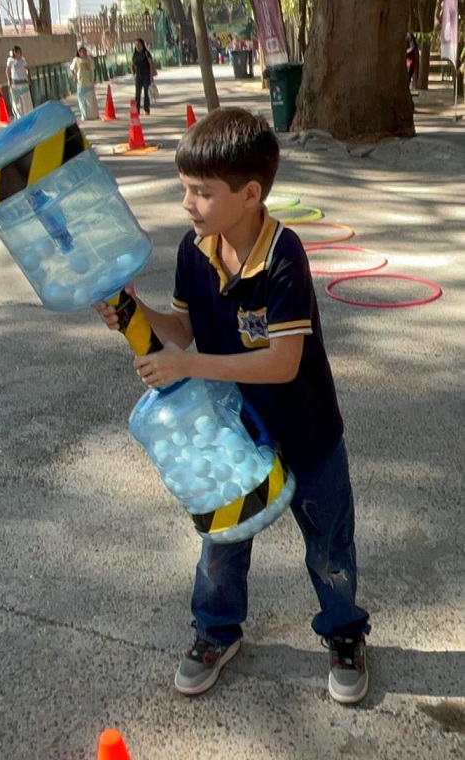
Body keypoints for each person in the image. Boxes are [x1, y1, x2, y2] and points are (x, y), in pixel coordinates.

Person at [95, 108, 371, 705]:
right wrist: (133, 312)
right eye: (184, 188)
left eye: (202, 191)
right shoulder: (193, 251)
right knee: (221, 545)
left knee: (329, 546)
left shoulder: (283, 255)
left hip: (308, 431)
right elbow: (181, 331)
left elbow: (282, 362)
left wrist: (188, 366)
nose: (187, 203)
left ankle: (344, 632)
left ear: (250, 194)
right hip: (233, 434)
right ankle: (215, 632)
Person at [70, 46, 99, 120]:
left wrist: (94, 77)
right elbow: (71, 69)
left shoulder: (89, 59)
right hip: (81, 83)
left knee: (91, 99)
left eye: (85, 51)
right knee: (82, 100)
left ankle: (93, 115)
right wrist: (74, 77)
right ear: (79, 53)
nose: (85, 53)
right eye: (83, 52)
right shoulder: (76, 60)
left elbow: (94, 69)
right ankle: (84, 115)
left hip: (89, 82)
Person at [5, 46, 33, 119]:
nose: (20, 54)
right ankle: (19, 116)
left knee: (26, 100)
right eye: (18, 52)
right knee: (16, 102)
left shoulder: (23, 60)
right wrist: (9, 80)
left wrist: (29, 78)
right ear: (15, 52)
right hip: (15, 84)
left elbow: (27, 69)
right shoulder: (10, 60)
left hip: (23, 82)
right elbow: (8, 70)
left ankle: (28, 115)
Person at [132, 38, 154, 115]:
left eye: (139, 45)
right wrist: (133, 74)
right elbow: (132, 65)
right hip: (138, 76)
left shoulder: (146, 53)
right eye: (136, 45)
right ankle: (136, 109)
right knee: (137, 94)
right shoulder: (135, 55)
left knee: (146, 93)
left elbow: (151, 64)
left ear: (142, 45)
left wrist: (151, 75)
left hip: (146, 75)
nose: (137, 46)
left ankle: (146, 109)